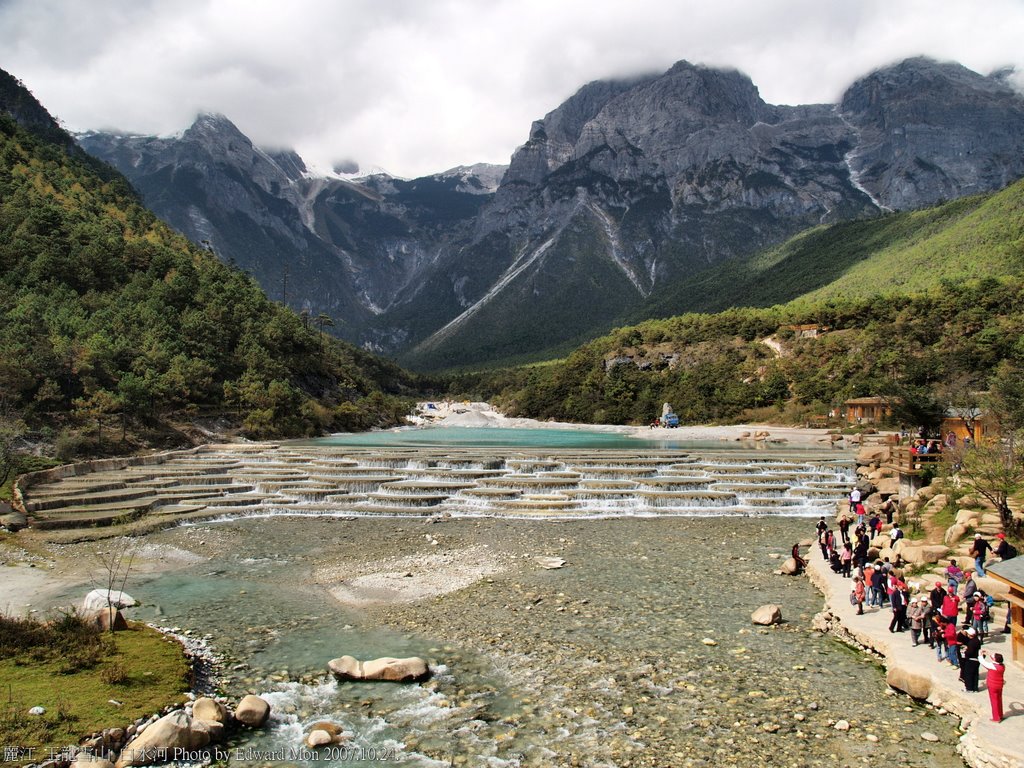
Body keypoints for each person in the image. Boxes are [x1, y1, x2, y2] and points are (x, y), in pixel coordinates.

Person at [979, 651, 1006, 722]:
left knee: (994, 701)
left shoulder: (992, 666)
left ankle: (996, 718)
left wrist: (980, 654)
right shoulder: (1002, 666)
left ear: (994, 660)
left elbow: (982, 662)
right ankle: (1000, 715)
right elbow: (994, 658)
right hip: (999, 685)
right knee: (999, 700)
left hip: (992, 685)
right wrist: (988, 654)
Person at [959, 627, 982, 692]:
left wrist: (965, 651)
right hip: (976, 660)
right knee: (975, 675)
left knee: (968, 674)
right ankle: (975, 688)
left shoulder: (972, 642)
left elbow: (970, 652)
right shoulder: (977, 640)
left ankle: (969, 688)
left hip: (971, 660)